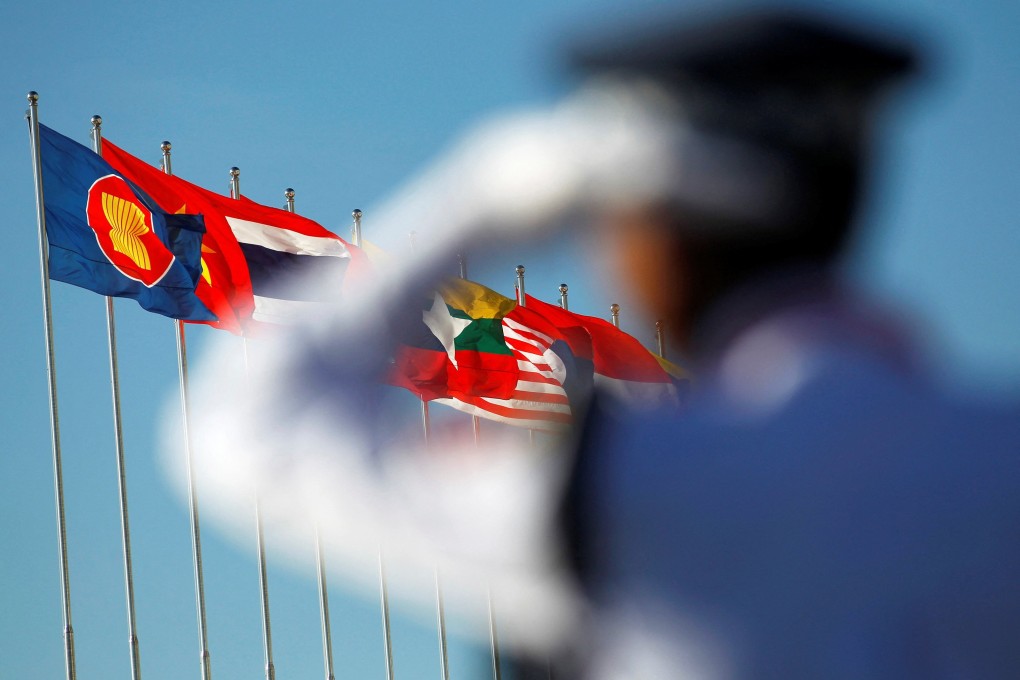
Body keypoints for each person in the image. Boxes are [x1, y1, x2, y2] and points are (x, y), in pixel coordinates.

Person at [184, 7, 1020, 680]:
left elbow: (244, 433)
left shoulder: (610, 484)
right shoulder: (997, 450)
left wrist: (482, 195)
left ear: (652, 231)